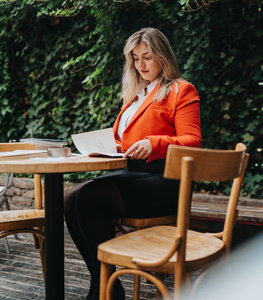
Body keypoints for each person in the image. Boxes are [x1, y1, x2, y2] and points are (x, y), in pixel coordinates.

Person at [64, 27, 201, 300]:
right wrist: (111, 147)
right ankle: (104, 283)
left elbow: (193, 140)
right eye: (136, 58)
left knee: (87, 198)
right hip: (134, 177)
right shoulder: (135, 96)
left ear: (163, 56)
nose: (141, 64)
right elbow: (125, 141)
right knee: (70, 199)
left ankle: (106, 288)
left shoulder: (180, 90)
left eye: (148, 57)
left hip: (165, 180)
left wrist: (155, 143)